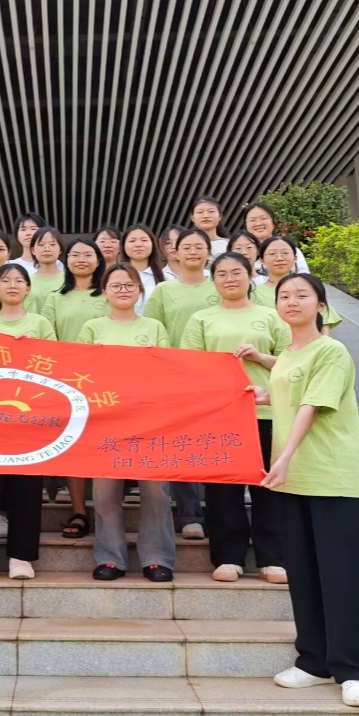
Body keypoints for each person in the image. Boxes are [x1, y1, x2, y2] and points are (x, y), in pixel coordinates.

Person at [256, 273, 359, 709]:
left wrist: (284, 456)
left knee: (341, 575)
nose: (292, 302)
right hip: (293, 480)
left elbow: (311, 405)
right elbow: (290, 397)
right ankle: (313, 661)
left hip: (329, 476)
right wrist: (263, 397)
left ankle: (353, 671)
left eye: (301, 295)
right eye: (284, 296)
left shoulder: (331, 350)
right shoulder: (288, 354)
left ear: (321, 305)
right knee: (303, 573)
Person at [180, 252, 290, 584]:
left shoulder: (271, 316)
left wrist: (259, 356)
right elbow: (188, 366)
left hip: (266, 411)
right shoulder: (201, 318)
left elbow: (294, 362)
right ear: (213, 280)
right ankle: (228, 556)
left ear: (250, 276)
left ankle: (272, 559)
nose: (230, 279)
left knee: (269, 486)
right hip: (219, 416)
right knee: (222, 490)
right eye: (222, 274)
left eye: (236, 272)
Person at [79, 263, 176, 583]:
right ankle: (110, 558)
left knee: (156, 491)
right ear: (104, 292)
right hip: (106, 419)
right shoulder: (92, 327)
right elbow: (79, 373)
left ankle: (157, 558)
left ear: (140, 290)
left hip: (150, 418)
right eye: (116, 285)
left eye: (129, 285)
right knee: (105, 493)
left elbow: (169, 372)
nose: (123, 290)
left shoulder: (155, 327)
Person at [0, 264, 55, 581]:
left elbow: (55, 364)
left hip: (30, 416)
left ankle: (22, 555)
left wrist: (30, 349)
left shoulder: (40, 323)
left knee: (27, 488)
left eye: (20, 280)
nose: (13, 285)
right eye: (5, 280)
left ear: (29, 288)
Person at [143, 228, 219, 540]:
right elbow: (151, 329)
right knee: (182, 445)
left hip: (217, 378)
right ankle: (190, 516)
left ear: (208, 252)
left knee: (215, 445)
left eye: (199, 246)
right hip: (175, 377)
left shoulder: (221, 284)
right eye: (186, 247)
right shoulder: (164, 290)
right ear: (174, 251)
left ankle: (220, 514)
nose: (192, 252)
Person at [40, 237, 111, 537]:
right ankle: (79, 511)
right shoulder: (55, 298)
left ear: (99, 260)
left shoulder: (109, 293)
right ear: (66, 261)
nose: (81, 259)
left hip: (108, 380)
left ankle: (109, 514)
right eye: (75, 254)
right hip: (67, 380)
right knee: (75, 445)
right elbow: (46, 337)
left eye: (88, 254)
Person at [251, 236, 341, 335]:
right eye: (272, 254)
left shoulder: (309, 288)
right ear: (262, 260)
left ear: (295, 258)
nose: (279, 258)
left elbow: (324, 322)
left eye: (285, 253)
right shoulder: (253, 293)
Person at [244, 202, 310, 273]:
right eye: (252, 220)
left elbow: (304, 275)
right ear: (246, 224)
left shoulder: (290, 250)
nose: (258, 223)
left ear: (273, 221)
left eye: (263, 218)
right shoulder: (241, 252)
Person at [119, 224, 165, 315]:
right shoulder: (115, 276)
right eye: (132, 241)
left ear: (153, 244)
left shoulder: (165, 277)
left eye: (144, 240)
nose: (138, 244)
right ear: (123, 246)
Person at [27, 226, 66, 312]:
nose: (47, 249)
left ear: (60, 249)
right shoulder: (27, 281)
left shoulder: (69, 280)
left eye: (52, 244)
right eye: (41, 245)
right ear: (33, 250)